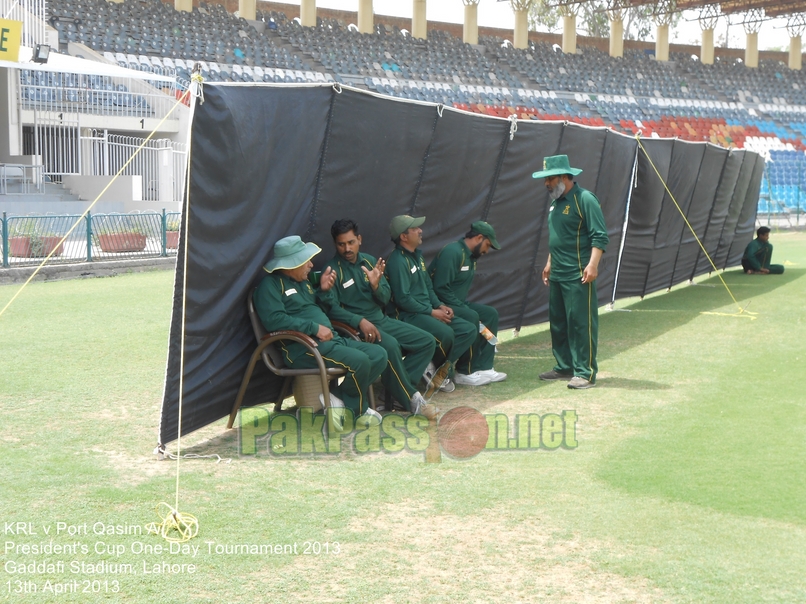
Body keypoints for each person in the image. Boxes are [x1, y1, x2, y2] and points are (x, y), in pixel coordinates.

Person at [253, 235, 386, 424]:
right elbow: (274, 320)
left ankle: (336, 400)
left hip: (330, 341)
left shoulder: (304, 283)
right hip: (303, 348)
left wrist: (323, 291)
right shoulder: (270, 287)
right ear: (292, 264)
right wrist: (313, 328)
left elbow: (320, 311)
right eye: (306, 261)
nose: (310, 265)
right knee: (360, 361)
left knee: (379, 354)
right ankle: (356, 410)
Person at [320, 219, 438, 419]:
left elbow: (385, 297)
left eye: (350, 242)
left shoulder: (368, 261)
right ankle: (411, 398)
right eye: (341, 244)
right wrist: (359, 320)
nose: (347, 248)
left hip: (381, 319)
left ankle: (393, 390)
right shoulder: (333, 271)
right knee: (390, 345)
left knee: (427, 342)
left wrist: (376, 285)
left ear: (359, 239)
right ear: (335, 244)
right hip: (356, 328)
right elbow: (331, 310)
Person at [532, 155, 609, 390]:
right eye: (545, 179)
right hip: (557, 274)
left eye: (550, 178)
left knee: (580, 324)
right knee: (558, 323)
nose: (546, 183)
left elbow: (600, 236)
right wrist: (549, 261)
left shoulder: (585, 199)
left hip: (578, 275)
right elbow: (558, 238)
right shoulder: (555, 202)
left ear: (565, 177)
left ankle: (585, 373)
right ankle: (565, 367)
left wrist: (593, 264)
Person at [384, 215, 477, 396]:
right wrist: (432, 312)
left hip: (426, 311)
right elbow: (403, 300)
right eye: (415, 229)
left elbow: (427, 286)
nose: (420, 231)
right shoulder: (396, 261)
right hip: (406, 315)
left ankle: (437, 370)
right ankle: (434, 370)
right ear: (403, 237)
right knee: (446, 333)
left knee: (468, 329)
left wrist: (439, 305)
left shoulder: (417, 256)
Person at [429, 220, 507, 386]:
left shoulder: (472, 257)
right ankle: (464, 371)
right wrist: (462, 308)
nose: (487, 250)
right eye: (487, 245)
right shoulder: (453, 252)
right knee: (472, 316)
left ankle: (484, 367)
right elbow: (440, 288)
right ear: (479, 238)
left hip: (458, 303)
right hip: (440, 305)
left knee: (490, 314)